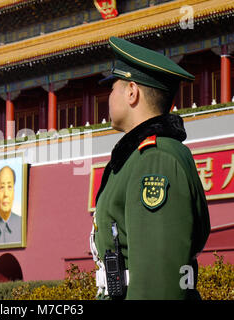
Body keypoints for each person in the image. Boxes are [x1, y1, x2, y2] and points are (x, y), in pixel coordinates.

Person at [91, 37, 210, 300]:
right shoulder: (135, 157)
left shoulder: (155, 159)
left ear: (132, 92)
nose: (107, 96)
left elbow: (157, 282)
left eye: (113, 87)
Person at [0, 165, 22, 245]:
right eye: (2, 187)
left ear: (14, 193)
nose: (6, 194)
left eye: (9, 187)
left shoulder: (21, 224)